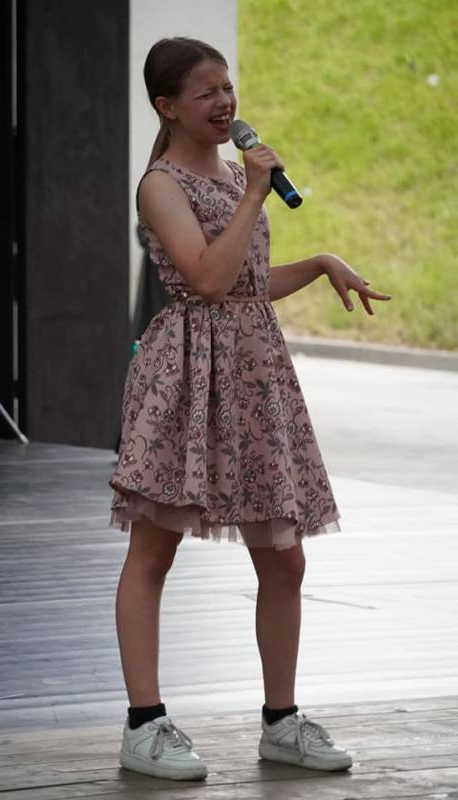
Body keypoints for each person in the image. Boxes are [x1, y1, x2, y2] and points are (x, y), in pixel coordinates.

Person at [108, 36, 391, 782]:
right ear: (168, 107)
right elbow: (205, 280)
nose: (224, 102)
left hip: (255, 374)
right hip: (186, 375)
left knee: (285, 556)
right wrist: (255, 198)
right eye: (206, 93)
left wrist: (321, 262)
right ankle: (145, 724)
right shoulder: (161, 185)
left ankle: (281, 721)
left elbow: (244, 281)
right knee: (154, 550)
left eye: (227, 88)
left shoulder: (237, 174)